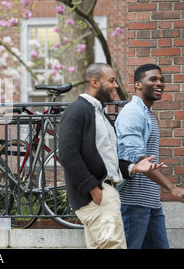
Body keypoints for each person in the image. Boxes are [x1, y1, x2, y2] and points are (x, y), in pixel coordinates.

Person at [58, 63, 164, 249]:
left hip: (107, 193)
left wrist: (133, 168)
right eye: (111, 81)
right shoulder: (77, 111)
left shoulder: (102, 115)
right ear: (94, 82)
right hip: (98, 196)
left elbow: (108, 160)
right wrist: (93, 190)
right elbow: (68, 154)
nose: (116, 85)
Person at [115, 63, 184, 249]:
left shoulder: (147, 114)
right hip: (133, 202)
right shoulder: (132, 113)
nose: (159, 83)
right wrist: (172, 188)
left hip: (151, 201)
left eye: (161, 79)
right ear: (138, 84)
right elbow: (138, 160)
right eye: (152, 79)